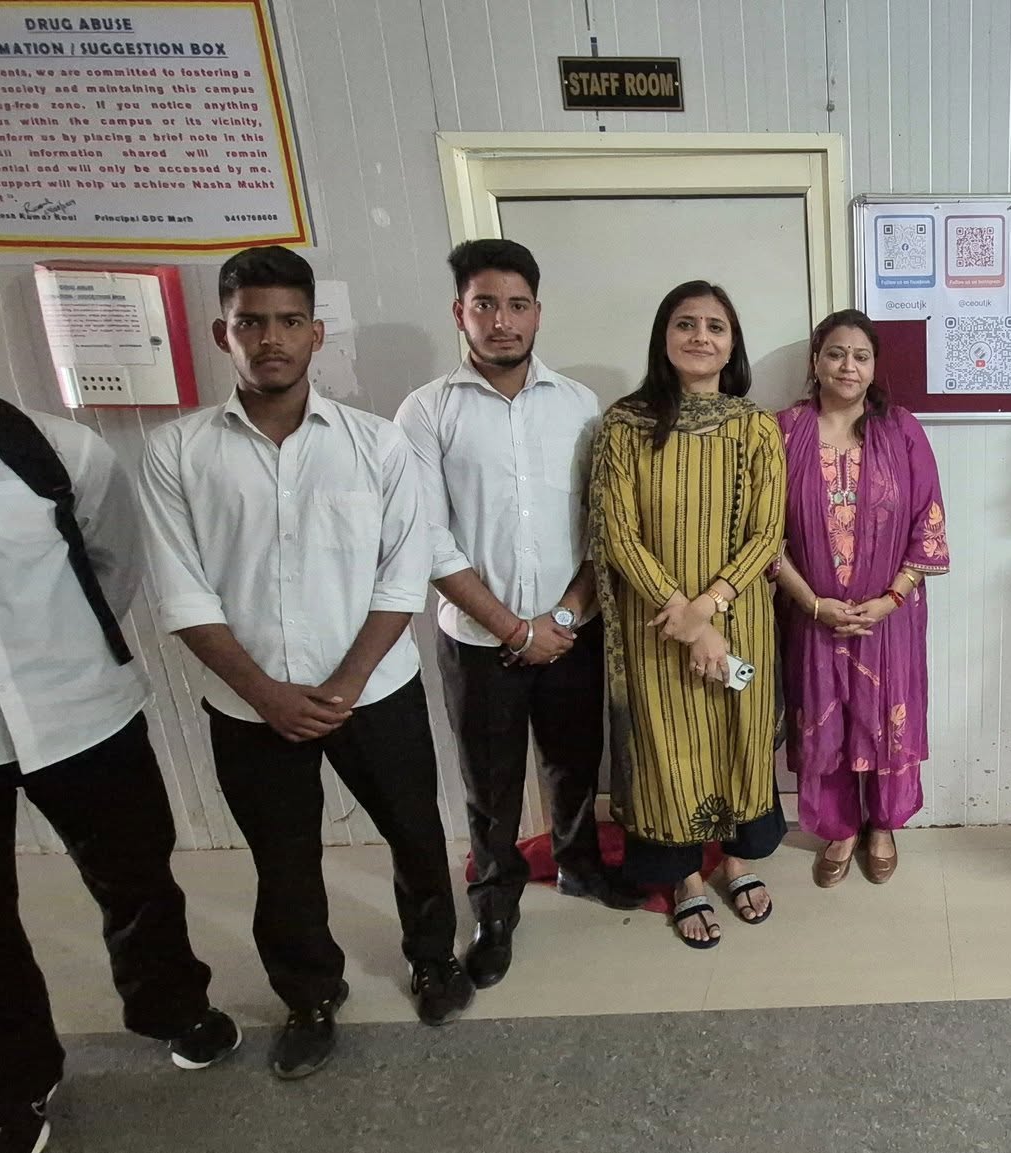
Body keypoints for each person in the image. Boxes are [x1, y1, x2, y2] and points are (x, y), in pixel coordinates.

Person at [0, 198, 236, 1153]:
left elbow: (113, 563)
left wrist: (68, 655)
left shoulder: (52, 448)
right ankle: (13, 1087)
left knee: (138, 881)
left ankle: (170, 1005)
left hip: (84, 715)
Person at [139, 246, 473, 1080]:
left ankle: (433, 958)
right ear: (222, 332)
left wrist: (346, 683)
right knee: (283, 861)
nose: (271, 339)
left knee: (415, 832)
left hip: (375, 690)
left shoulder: (375, 444)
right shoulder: (177, 451)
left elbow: (402, 574)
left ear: (317, 334)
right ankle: (310, 995)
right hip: (251, 707)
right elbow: (182, 593)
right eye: (251, 322)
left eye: (289, 321)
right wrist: (268, 695)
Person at [396, 239, 640, 991]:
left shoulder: (578, 405)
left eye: (517, 305)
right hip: (478, 640)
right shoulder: (426, 412)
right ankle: (495, 907)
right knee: (490, 783)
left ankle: (579, 865)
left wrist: (562, 618)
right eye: (485, 305)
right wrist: (514, 629)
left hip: (572, 631)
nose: (502, 321)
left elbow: (602, 525)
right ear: (459, 313)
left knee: (575, 763)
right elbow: (427, 537)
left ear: (538, 312)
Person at [590, 280, 786, 947]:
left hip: (738, 618)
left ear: (732, 344)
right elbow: (616, 532)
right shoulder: (625, 424)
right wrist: (684, 614)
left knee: (738, 736)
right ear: (663, 336)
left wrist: (708, 608)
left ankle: (735, 862)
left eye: (715, 326)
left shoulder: (756, 425)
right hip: (656, 627)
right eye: (685, 323)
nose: (700, 336)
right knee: (668, 750)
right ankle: (685, 879)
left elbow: (767, 532)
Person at [769, 310, 950, 887]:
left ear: (873, 368)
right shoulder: (782, 431)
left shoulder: (901, 430)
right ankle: (839, 827)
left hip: (887, 619)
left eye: (861, 356)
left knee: (886, 719)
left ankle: (883, 825)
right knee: (825, 721)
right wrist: (812, 603)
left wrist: (890, 599)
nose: (848, 366)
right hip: (810, 616)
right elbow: (762, 535)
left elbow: (928, 522)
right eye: (836, 353)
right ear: (815, 361)